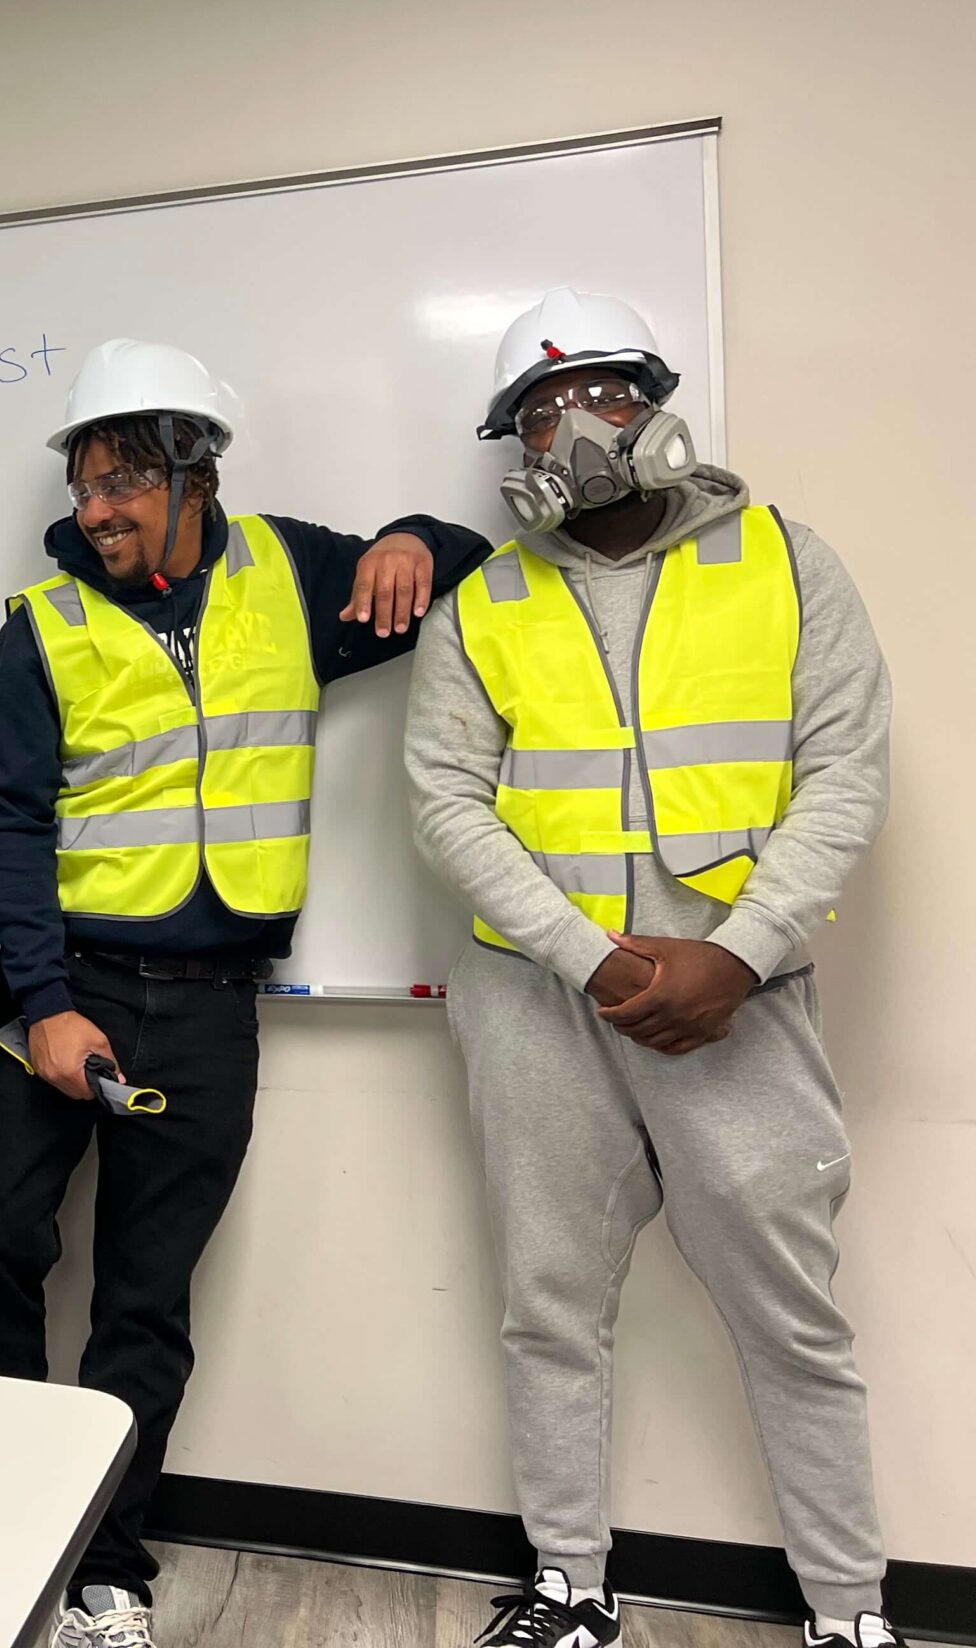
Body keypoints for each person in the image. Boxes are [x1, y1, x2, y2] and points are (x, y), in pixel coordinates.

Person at [0, 340, 493, 1648]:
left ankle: (106, 1568)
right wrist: (43, 1003)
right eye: (86, 486)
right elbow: (8, 826)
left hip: (206, 1009)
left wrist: (413, 537)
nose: (98, 509)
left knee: (144, 1299)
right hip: (58, 988)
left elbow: (465, 567)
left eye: (124, 480)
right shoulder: (45, 625)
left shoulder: (287, 577)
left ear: (197, 472)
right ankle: (10, 1528)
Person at [408, 290, 902, 1648]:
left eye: (608, 392)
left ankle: (848, 1613)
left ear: (659, 405)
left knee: (792, 1320)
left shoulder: (784, 561)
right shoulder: (482, 604)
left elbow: (846, 769)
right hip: (535, 1003)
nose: (578, 425)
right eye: (541, 411)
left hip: (738, 1001)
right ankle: (570, 1587)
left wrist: (740, 952)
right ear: (515, 444)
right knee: (549, 1309)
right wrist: (587, 958)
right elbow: (447, 801)